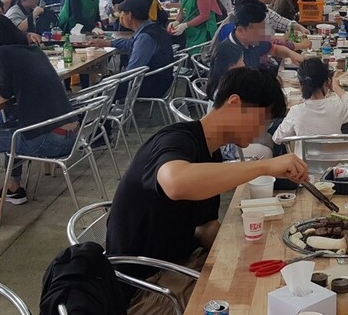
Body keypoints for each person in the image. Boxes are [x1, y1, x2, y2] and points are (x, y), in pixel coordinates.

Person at [105, 67, 309, 314]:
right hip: (146, 287)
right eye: (263, 119)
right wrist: (264, 166)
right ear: (235, 103)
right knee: (254, 303)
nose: (262, 130)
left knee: (273, 285)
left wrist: (252, 253)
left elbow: (205, 228)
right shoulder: (176, 140)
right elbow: (175, 183)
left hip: (178, 266)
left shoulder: (211, 152)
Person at [0, 15, 78, 209]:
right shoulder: (31, 50)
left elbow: (4, 92)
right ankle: (13, 187)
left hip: (50, 140)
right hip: (71, 135)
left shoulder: (3, 53)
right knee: (3, 122)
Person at [272, 58, 348, 169]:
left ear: (300, 84)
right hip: (337, 172)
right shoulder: (337, 106)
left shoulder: (296, 111)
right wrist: (337, 88)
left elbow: (277, 138)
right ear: (328, 82)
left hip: (305, 173)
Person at [90, 0, 174, 99]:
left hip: (151, 85)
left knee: (100, 90)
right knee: (105, 82)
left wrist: (113, 79)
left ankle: (89, 114)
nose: (121, 17)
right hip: (158, 80)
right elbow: (130, 43)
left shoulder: (145, 38)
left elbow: (133, 71)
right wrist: (107, 43)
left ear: (129, 15)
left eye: (122, 13)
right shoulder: (153, 28)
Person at [215, 0, 304, 72]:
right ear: (240, 30)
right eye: (258, 30)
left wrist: (291, 54)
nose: (263, 33)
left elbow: (275, 50)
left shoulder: (254, 41)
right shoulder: (227, 53)